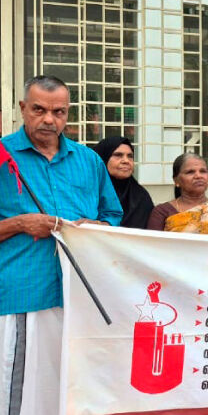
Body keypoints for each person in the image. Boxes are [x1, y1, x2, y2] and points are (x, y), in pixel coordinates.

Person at [0, 75, 123, 415]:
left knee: (71, 390)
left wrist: (97, 228)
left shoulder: (88, 160)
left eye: (58, 112)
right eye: (39, 110)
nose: (49, 120)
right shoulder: (3, 156)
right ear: (23, 108)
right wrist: (20, 223)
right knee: (20, 392)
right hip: (24, 293)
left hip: (79, 294)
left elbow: (112, 216)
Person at [147, 153, 208, 235]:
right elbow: (153, 243)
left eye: (203, 171)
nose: (198, 176)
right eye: (190, 172)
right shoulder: (162, 212)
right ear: (176, 180)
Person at [93, 136, 154, 229]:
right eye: (118, 155)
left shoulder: (141, 197)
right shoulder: (89, 192)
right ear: (103, 159)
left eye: (130, 156)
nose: (126, 161)